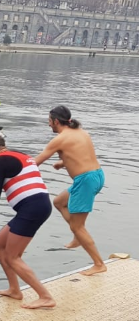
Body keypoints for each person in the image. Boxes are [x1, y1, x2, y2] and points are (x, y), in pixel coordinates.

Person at [0, 134, 55, 309]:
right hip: (37, 205)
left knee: (13, 257)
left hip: (32, 208)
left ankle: (45, 297)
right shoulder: (18, 155)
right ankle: (15, 289)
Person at [35, 105, 106, 276]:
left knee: (78, 226)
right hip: (97, 175)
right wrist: (63, 162)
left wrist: (13, 170)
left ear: (56, 121)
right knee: (59, 202)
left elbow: (36, 162)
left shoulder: (59, 139)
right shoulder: (81, 131)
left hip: (85, 181)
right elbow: (81, 154)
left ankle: (98, 263)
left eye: (49, 122)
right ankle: (77, 236)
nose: (49, 125)